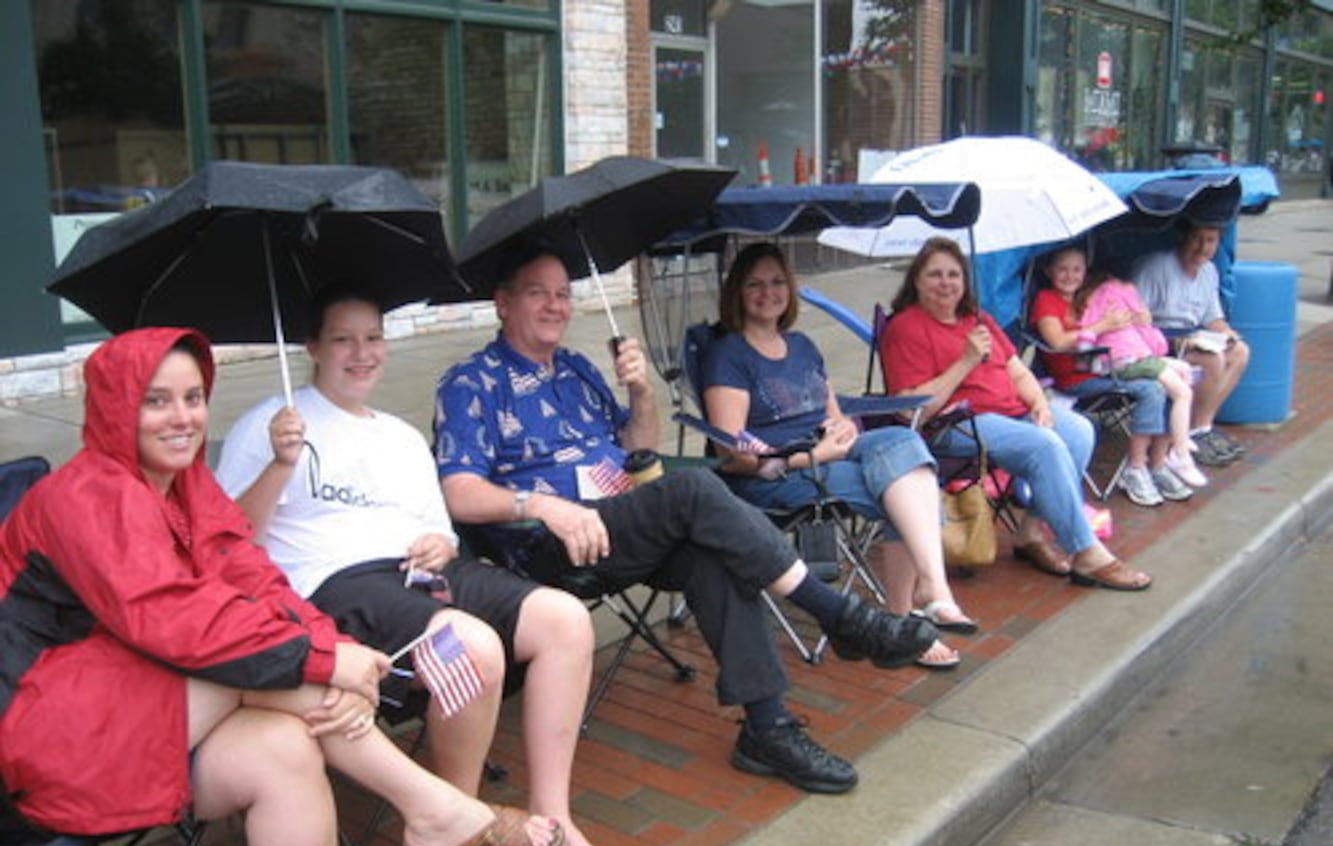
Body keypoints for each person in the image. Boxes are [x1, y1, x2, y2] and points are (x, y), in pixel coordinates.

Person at [0, 327, 562, 846]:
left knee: (285, 749)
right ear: (116, 405)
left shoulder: (185, 485)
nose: (181, 418)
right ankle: (431, 807)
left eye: (191, 398)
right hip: (35, 727)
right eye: (156, 401)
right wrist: (325, 662)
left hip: (138, 707)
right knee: (243, 669)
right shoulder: (87, 493)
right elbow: (180, 622)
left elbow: (254, 575)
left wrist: (336, 648)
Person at [434, 242, 940, 796]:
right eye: (538, 294)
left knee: (712, 552)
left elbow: (638, 446)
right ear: (502, 303)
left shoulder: (576, 368)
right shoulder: (470, 382)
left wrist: (640, 391)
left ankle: (767, 728)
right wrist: (540, 505)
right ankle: (840, 616)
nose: (556, 306)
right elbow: (458, 492)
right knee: (696, 486)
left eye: (563, 294)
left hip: (621, 521)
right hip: (549, 544)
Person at [216, 285, 626, 846]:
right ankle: (455, 828)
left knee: (564, 620)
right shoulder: (272, 424)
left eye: (373, 338)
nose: (362, 353)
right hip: (334, 584)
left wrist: (440, 543)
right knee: (471, 647)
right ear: (313, 348)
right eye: (344, 339)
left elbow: (441, 531)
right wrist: (278, 463)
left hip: (415, 572)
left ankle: (555, 814)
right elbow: (227, 545)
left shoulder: (402, 437)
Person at [700, 242, 978, 670]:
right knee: (900, 490)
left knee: (905, 447)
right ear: (737, 291)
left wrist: (843, 427)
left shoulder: (803, 344)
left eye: (777, 282)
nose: (768, 292)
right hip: (779, 472)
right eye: (755, 284)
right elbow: (733, 452)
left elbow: (832, 413)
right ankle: (906, 621)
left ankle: (932, 590)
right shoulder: (728, 354)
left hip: (829, 453)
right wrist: (812, 453)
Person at [883, 237, 1151, 592]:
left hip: (1013, 413)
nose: (946, 283)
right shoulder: (906, 327)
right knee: (1044, 446)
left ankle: (1029, 533)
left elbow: (1019, 373)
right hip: (957, 424)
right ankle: (1086, 552)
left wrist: (1040, 405)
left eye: (954, 274)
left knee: (1078, 430)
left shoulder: (978, 319)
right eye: (935, 275)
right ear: (916, 280)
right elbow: (909, 409)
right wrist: (965, 361)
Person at [1031, 246, 1203, 507]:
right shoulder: (1046, 299)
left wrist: (1139, 317)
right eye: (1062, 269)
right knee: (1151, 389)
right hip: (1077, 378)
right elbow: (1056, 341)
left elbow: (1119, 334)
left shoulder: (1088, 297)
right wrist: (1101, 326)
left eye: (1076, 269)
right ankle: (1135, 468)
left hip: (1108, 366)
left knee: (1173, 380)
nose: (1070, 275)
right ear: (1049, 271)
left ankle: (1158, 465)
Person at [1132, 222, 1251, 467]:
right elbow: (1135, 320)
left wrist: (1227, 333)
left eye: (1210, 240)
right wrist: (1175, 340)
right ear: (1183, 238)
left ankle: (1199, 428)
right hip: (1156, 340)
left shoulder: (1209, 271)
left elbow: (1212, 317)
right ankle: (1193, 433)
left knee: (1239, 352)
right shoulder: (1155, 267)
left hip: (1193, 337)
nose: (1203, 247)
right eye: (1197, 238)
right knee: (1212, 359)